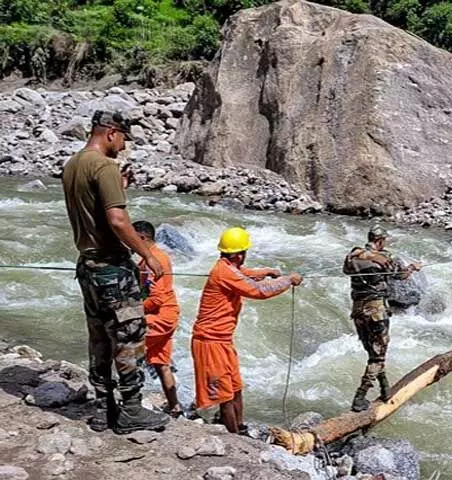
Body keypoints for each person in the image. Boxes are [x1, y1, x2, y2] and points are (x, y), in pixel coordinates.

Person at [62, 110, 170, 434]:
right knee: (129, 336)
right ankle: (133, 411)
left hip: (88, 266)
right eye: (123, 138)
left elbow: (91, 209)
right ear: (111, 132)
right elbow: (118, 222)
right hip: (112, 268)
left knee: (99, 338)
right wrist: (148, 254)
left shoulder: (73, 165)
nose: (123, 147)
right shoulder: (104, 166)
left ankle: (102, 409)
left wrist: (120, 187)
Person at [192, 227, 302, 434]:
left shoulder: (227, 268)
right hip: (209, 341)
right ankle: (235, 438)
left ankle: (239, 428)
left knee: (235, 388)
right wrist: (288, 280)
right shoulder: (224, 272)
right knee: (224, 396)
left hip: (222, 340)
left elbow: (244, 275)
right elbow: (259, 291)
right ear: (238, 254)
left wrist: (266, 272)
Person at [343, 225, 421, 412]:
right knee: (378, 357)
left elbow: (346, 271)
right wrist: (414, 267)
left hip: (358, 311)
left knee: (373, 353)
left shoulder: (352, 255)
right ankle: (360, 397)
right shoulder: (385, 258)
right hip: (376, 312)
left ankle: (385, 388)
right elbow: (401, 275)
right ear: (380, 241)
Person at [133, 221, 182, 417]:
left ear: (142, 238)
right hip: (167, 315)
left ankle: (130, 401)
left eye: (132, 239)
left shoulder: (155, 260)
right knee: (161, 363)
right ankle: (175, 407)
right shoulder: (149, 258)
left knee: (128, 350)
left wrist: (134, 310)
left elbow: (156, 298)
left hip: (160, 317)